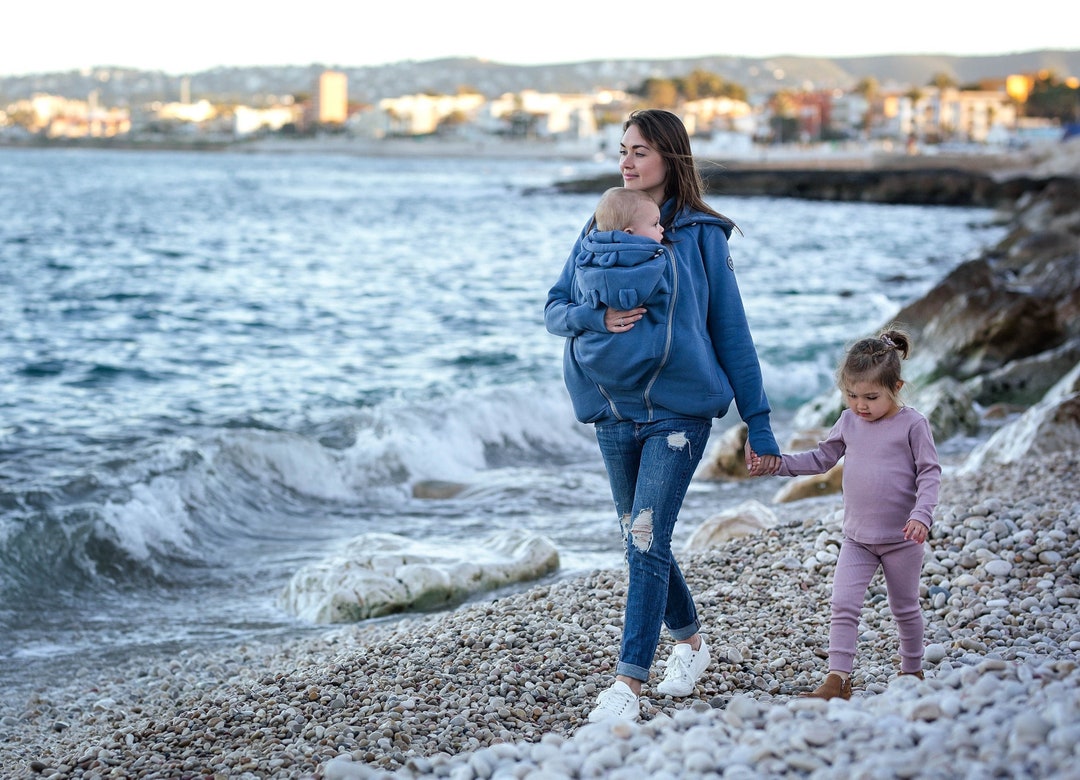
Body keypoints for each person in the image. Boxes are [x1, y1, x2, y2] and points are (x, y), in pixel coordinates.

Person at [545, 109, 781, 723]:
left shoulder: (702, 234)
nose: (625, 161)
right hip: (613, 409)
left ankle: (628, 683)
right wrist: (595, 319)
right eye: (622, 149)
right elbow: (554, 307)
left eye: (639, 151)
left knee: (646, 536)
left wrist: (758, 421)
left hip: (680, 412)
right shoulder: (597, 225)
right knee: (639, 536)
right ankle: (692, 644)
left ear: (669, 157)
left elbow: (732, 333)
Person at [750, 328, 941, 699]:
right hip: (857, 538)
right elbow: (821, 458)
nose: (860, 405)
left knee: (904, 607)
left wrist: (922, 515)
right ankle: (838, 680)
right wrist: (778, 464)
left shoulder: (913, 424)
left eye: (871, 397)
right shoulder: (849, 421)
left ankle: (912, 670)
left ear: (896, 387)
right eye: (852, 395)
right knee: (843, 604)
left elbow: (930, 473)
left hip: (903, 539)